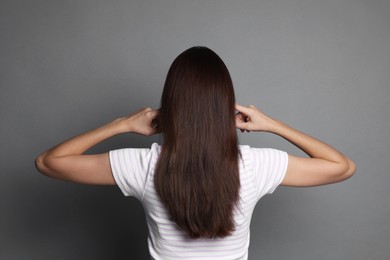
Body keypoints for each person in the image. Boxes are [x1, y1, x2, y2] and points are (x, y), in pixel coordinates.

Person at [35, 46, 355, 260]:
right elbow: (342, 167)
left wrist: (122, 124)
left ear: (172, 105)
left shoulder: (145, 165)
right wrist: (272, 125)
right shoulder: (255, 166)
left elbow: (49, 163)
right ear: (224, 104)